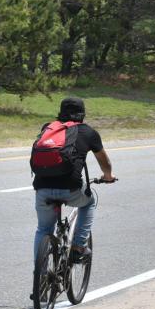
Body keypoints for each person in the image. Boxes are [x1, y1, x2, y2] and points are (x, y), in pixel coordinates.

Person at [33, 97, 115, 263]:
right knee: (89, 202)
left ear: (60, 112)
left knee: (43, 229)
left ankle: (39, 274)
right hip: (71, 189)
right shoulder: (88, 132)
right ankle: (78, 247)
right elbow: (103, 160)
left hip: (42, 189)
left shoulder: (48, 128)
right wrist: (108, 176)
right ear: (82, 114)